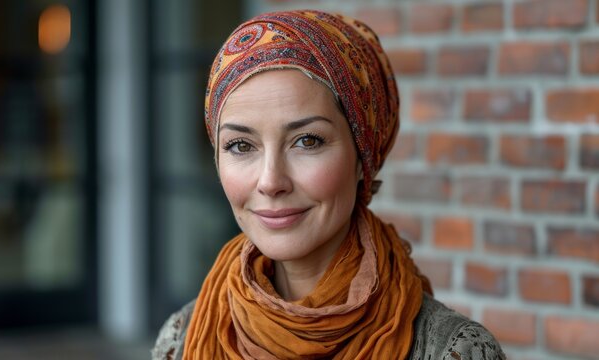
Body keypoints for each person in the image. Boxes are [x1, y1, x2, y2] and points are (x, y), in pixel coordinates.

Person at [153, 9, 505, 360]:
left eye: (307, 141)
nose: (271, 181)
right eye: (241, 145)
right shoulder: (183, 337)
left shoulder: (452, 351)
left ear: (362, 156)